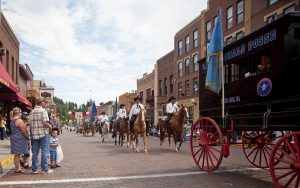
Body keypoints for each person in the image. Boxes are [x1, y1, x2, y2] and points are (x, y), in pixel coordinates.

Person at [30, 97, 53, 174]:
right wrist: (50, 127)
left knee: (35, 152)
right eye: (44, 102)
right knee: (44, 152)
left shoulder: (32, 111)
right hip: (43, 133)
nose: (45, 103)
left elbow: (30, 123)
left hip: (34, 134)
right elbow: (45, 123)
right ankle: (45, 168)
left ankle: (34, 169)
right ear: (41, 102)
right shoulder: (43, 111)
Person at [9, 107, 29, 173]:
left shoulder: (12, 120)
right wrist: (27, 137)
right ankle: (18, 169)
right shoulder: (19, 120)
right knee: (17, 154)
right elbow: (24, 130)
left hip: (14, 138)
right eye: (20, 112)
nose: (21, 114)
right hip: (19, 139)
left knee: (17, 154)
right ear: (18, 113)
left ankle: (18, 168)